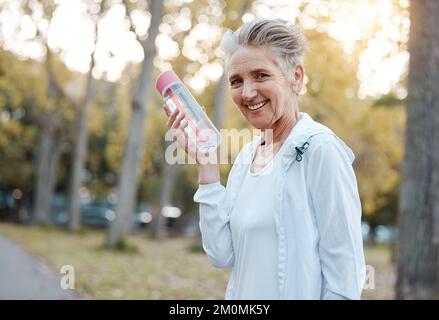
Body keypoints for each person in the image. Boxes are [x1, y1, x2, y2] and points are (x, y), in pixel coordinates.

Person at [163, 19, 366, 300]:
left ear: (296, 77)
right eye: (237, 81)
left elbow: (345, 278)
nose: (247, 93)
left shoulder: (320, 150)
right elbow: (222, 255)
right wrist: (206, 164)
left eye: (261, 75)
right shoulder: (247, 158)